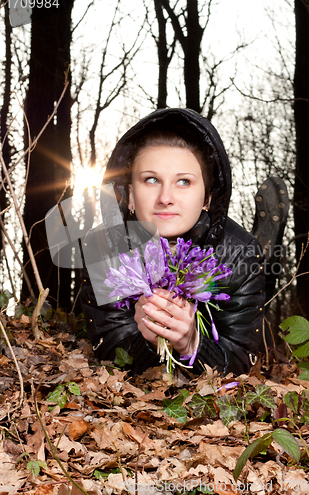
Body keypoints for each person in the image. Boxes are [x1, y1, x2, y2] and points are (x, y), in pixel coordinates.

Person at [80, 108, 288, 376]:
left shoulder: (238, 253)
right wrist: (149, 341)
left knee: (264, 330)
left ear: (207, 199)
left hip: (236, 260)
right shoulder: (103, 249)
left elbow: (241, 360)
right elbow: (110, 351)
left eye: (184, 182)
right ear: (129, 194)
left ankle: (266, 261)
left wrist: (192, 343)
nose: (165, 197)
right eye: (151, 180)